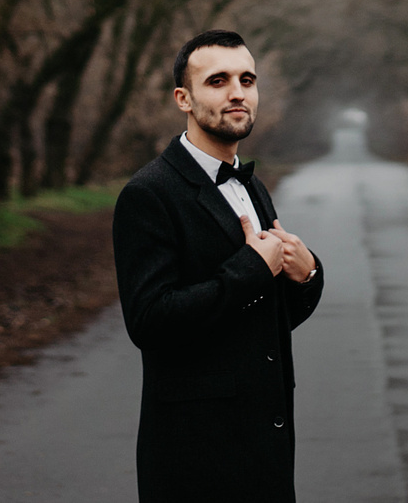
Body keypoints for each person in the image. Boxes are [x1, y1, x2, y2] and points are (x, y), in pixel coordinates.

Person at [112, 29, 324, 503]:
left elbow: (268, 315)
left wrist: (306, 272)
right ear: (183, 98)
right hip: (195, 456)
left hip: (265, 449)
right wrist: (251, 267)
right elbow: (149, 321)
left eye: (247, 79)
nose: (237, 92)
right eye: (218, 80)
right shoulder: (148, 195)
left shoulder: (252, 186)